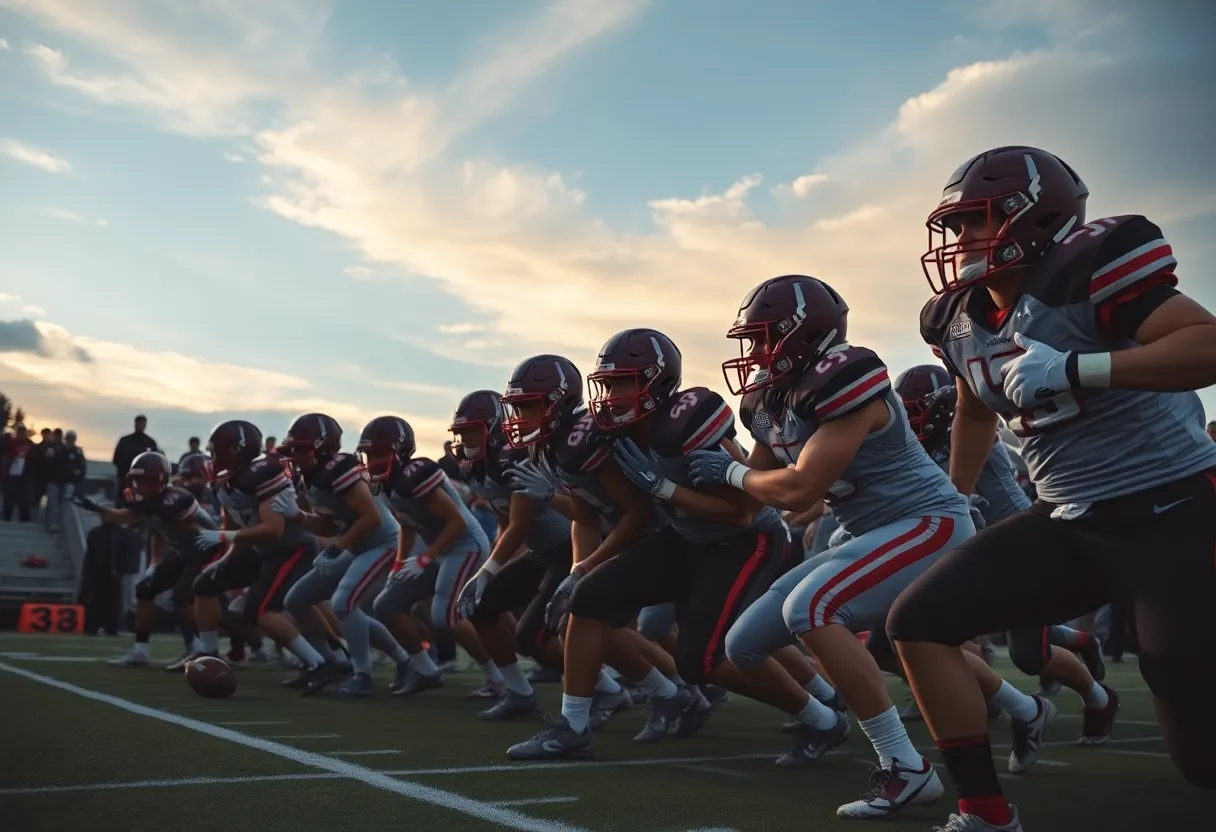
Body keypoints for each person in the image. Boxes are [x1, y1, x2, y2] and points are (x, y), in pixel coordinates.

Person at [890, 145, 1216, 831]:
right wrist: (958, 491)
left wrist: (1080, 368)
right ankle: (985, 813)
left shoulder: (1090, 271)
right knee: (916, 621)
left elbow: (1205, 345)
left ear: (1033, 219)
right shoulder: (954, 319)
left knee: (1200, 755)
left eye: (976, 221)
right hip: (1067, 518)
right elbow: (977, 405)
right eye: (953, 227)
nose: (960, 240)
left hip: (1172, 509)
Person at [112, 415, 158, 505]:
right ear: (135, 424)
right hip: (125, 479)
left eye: (143, 424)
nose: (141, 426)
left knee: (140, 504)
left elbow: (155, 460)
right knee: (123, 502)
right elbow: (116, 459)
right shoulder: (125, 441)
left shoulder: (150, 442)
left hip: (143, 481)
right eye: (139, 423)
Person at [46, 429, 87, 531]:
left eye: (72, 438)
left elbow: (82, 467)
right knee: (53, 503)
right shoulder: (57, 448)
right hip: (55, 481)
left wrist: (78, 473)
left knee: (64, 504)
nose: (71, 440)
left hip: (69, 482)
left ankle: (62, 525)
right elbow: (49, 462)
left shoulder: (78, 452)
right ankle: (49, 524)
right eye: (69, 438)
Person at [3, 423, 33, 522]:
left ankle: (24, 518)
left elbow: (35, 459)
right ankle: (7, 516)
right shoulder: (10, 443)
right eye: (20, 433)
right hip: (12, 473)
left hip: (25, 475)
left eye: (23, 433)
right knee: (9, 495)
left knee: (24, 496)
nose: (22, 435)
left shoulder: (31, 445)